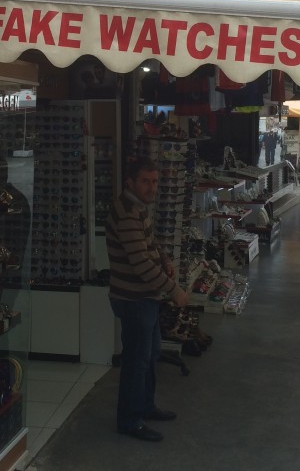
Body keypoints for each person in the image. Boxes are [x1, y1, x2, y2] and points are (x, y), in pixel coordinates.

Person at [106, 157, 188, 442]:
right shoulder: (128, 212)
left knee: (149, 357)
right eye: (146, 181)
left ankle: (145, 406)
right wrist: (173, 290)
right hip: (134, 299)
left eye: (155, 181)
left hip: (146, 298)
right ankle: (129, 420)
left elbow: (149, 246)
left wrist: (164, 258)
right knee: (136, 362)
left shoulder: (139, 207)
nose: (152, 187)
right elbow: (140, 263)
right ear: (130, 182)